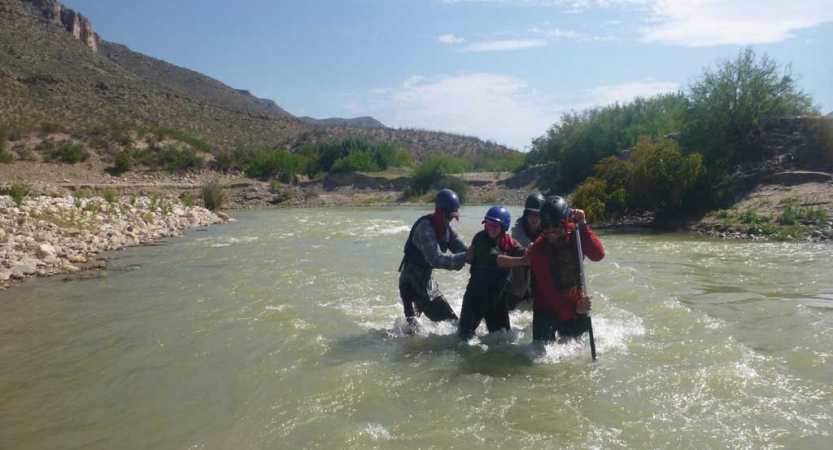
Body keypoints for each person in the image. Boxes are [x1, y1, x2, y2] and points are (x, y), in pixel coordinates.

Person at [529, 196, 605, 342]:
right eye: (546, 226)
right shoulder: (538, 248)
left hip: (574, 300)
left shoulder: (576, 232)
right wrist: (576, 309)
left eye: (555, 225)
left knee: (579, 348)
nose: (550, 230)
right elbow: (550, 291)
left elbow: (598, 255)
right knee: (540, 355)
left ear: (564, 223)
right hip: (546, 306)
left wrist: (583, 226)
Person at [399, 189, 468, 330]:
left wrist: (484, 255)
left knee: (453, 324)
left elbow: (465, 251)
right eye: (448, 216)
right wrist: (465, 257)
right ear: (439, 211)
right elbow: (435, 259)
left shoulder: (448, 230)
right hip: (410, 285)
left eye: (452, 217)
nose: (449, 220)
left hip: (428, 285)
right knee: (413, 333)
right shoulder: (425, 227)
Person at [457, 205, 529, 340]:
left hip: (497, 299)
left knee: (503, 341)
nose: (490, 228)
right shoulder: (480, 239)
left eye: (494, 225)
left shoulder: (509, 242)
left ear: (504, 227)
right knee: (463, 340)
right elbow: (496, 259)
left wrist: (532, 251)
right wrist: (521, 261)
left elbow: (524, 253)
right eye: (487, 224)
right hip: (476, 297)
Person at [506, 192, 544, 310]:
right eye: (531, 214)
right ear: (526, 215)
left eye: (537, 214)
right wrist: (532, 245)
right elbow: (517, 235)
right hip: (521, 268)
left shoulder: (548, 227)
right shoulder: (519, 226)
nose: (534, 218)